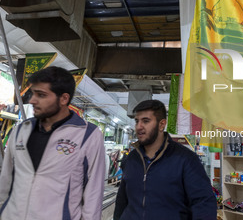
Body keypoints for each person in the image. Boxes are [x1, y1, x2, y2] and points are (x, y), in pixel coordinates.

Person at [0, 66, 105, 220]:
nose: (32, 100)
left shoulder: (87, 135)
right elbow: (5, 180)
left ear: (64, 99)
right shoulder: (21, 130)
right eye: (33, 93)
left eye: (41, 95)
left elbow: (93, 194)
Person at [114, 100, 217, 220]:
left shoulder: (185, 159)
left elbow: (203, 203)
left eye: (146, 121)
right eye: (137, 121)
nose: (139, 126)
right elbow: (122, 200)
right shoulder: (132, 158)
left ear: (162, 124)